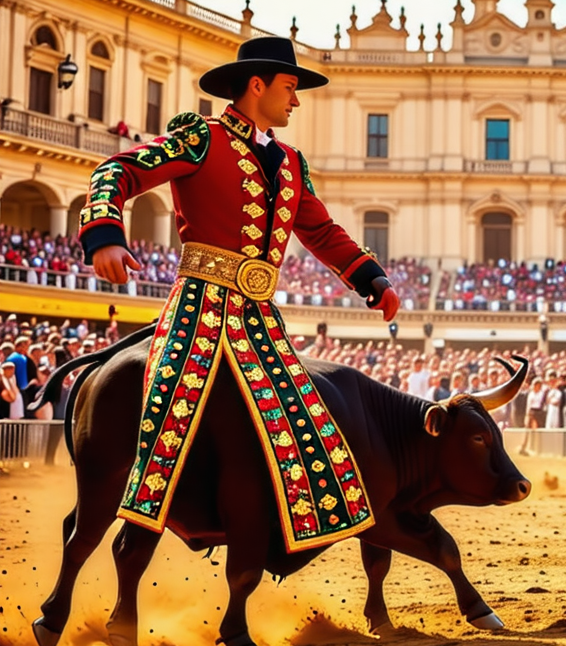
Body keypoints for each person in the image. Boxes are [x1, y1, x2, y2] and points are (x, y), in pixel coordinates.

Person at [80, 37, 400, 550]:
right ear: (258, 85)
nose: (296, 101)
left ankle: (282, 533)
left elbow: (320, 231)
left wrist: (370, 277)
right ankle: (139, 519)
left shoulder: (291, 162)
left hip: (259, 317)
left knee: (302, 419)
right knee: (170, 409)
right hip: (198, 307)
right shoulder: (200, 139)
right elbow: (116, 170)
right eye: (290, 88)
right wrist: (105, 235)